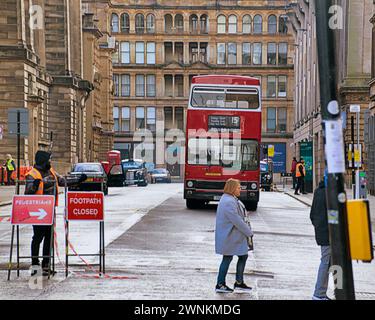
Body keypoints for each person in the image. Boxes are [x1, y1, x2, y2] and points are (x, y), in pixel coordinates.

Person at [25, 150, 86, 276]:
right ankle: (35, 266)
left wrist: (78, 180)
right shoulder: (32, 174)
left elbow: (63, 181)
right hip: (37, 210)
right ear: (42, 160)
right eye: (48, 160)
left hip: (50, 209)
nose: (50, 162)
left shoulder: (51, 172)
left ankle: (46, 265)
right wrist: (34, 186)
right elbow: (28, 193)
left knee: (49, 238)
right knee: (37, 238)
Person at [215, 178, 254, 293]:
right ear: (232, 188)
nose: (240, 189)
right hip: (230, 236)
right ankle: (221, 284)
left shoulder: (230, 199)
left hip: (232, 236)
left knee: (242, 256)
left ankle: (238, 282)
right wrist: (248, 232)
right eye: (238, 187)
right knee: (228, 258)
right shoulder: (228, 201)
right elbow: (236, 220)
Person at [310, 178, 331, 300]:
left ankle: (321, 292)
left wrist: (319, 227)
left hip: (322, 232)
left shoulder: (318, 191)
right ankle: (319, 293)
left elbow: (312, 215)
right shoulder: (330, 193)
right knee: (326, 262)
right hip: (329, 233)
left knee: (329, 263)